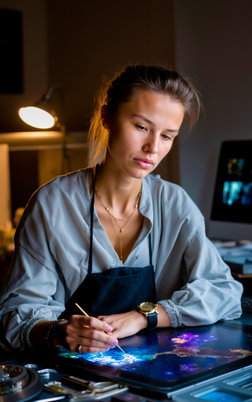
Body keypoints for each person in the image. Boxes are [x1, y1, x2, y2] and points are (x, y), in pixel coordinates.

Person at [0, 65, 243, 354]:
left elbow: (226, 293)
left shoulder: (175, 204)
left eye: (167, 136)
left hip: (154, 371)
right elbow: (17, 313)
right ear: (107, 117)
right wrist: (60, 332)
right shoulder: (52, 204)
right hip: (71, 376)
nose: (153, 147)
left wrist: (144, 316)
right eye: (141, 127)